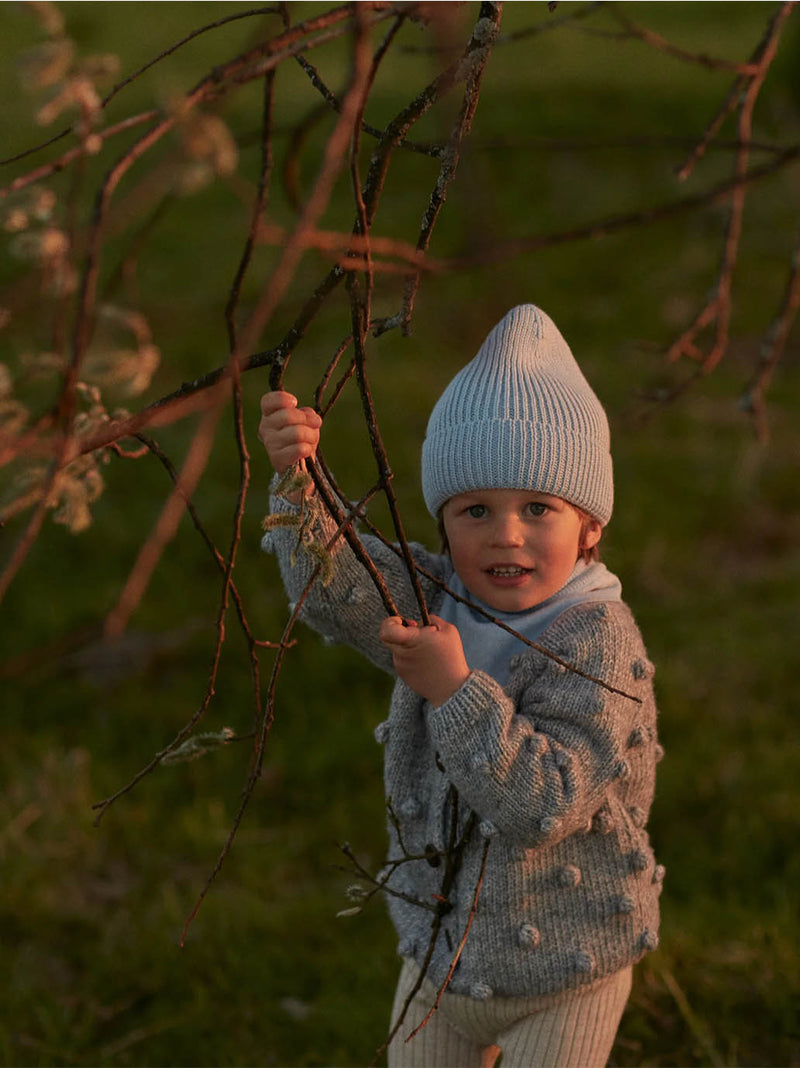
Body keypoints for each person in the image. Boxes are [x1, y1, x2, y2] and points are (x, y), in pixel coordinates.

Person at [258, 304, 663, 1068]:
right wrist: (298, 482)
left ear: (591, 527)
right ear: (444, 523)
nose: (505, 534)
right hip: (441, 952)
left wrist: (454, 692)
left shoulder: (598, 642)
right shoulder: (443, 594)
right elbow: (341, 589)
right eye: (475, 510)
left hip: (569, 964)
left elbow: (544, 802)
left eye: (538, 508)